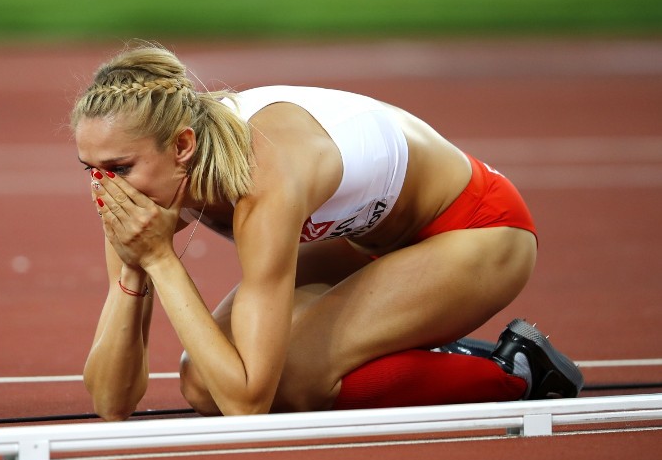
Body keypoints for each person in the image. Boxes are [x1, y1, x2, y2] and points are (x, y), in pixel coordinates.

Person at [71, 43, 583, 421]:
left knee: (291, 383)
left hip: (479, 229)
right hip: (370, 239)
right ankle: (408, 341)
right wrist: (134, 269)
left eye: (118, 168)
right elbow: (112, 403)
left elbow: (249, 403)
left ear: (182, 146)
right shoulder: (142, 182)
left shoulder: (263, 176)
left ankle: (513, 370)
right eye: (90, 169)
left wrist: (161, 260)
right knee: (202, 384)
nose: (104, 188)